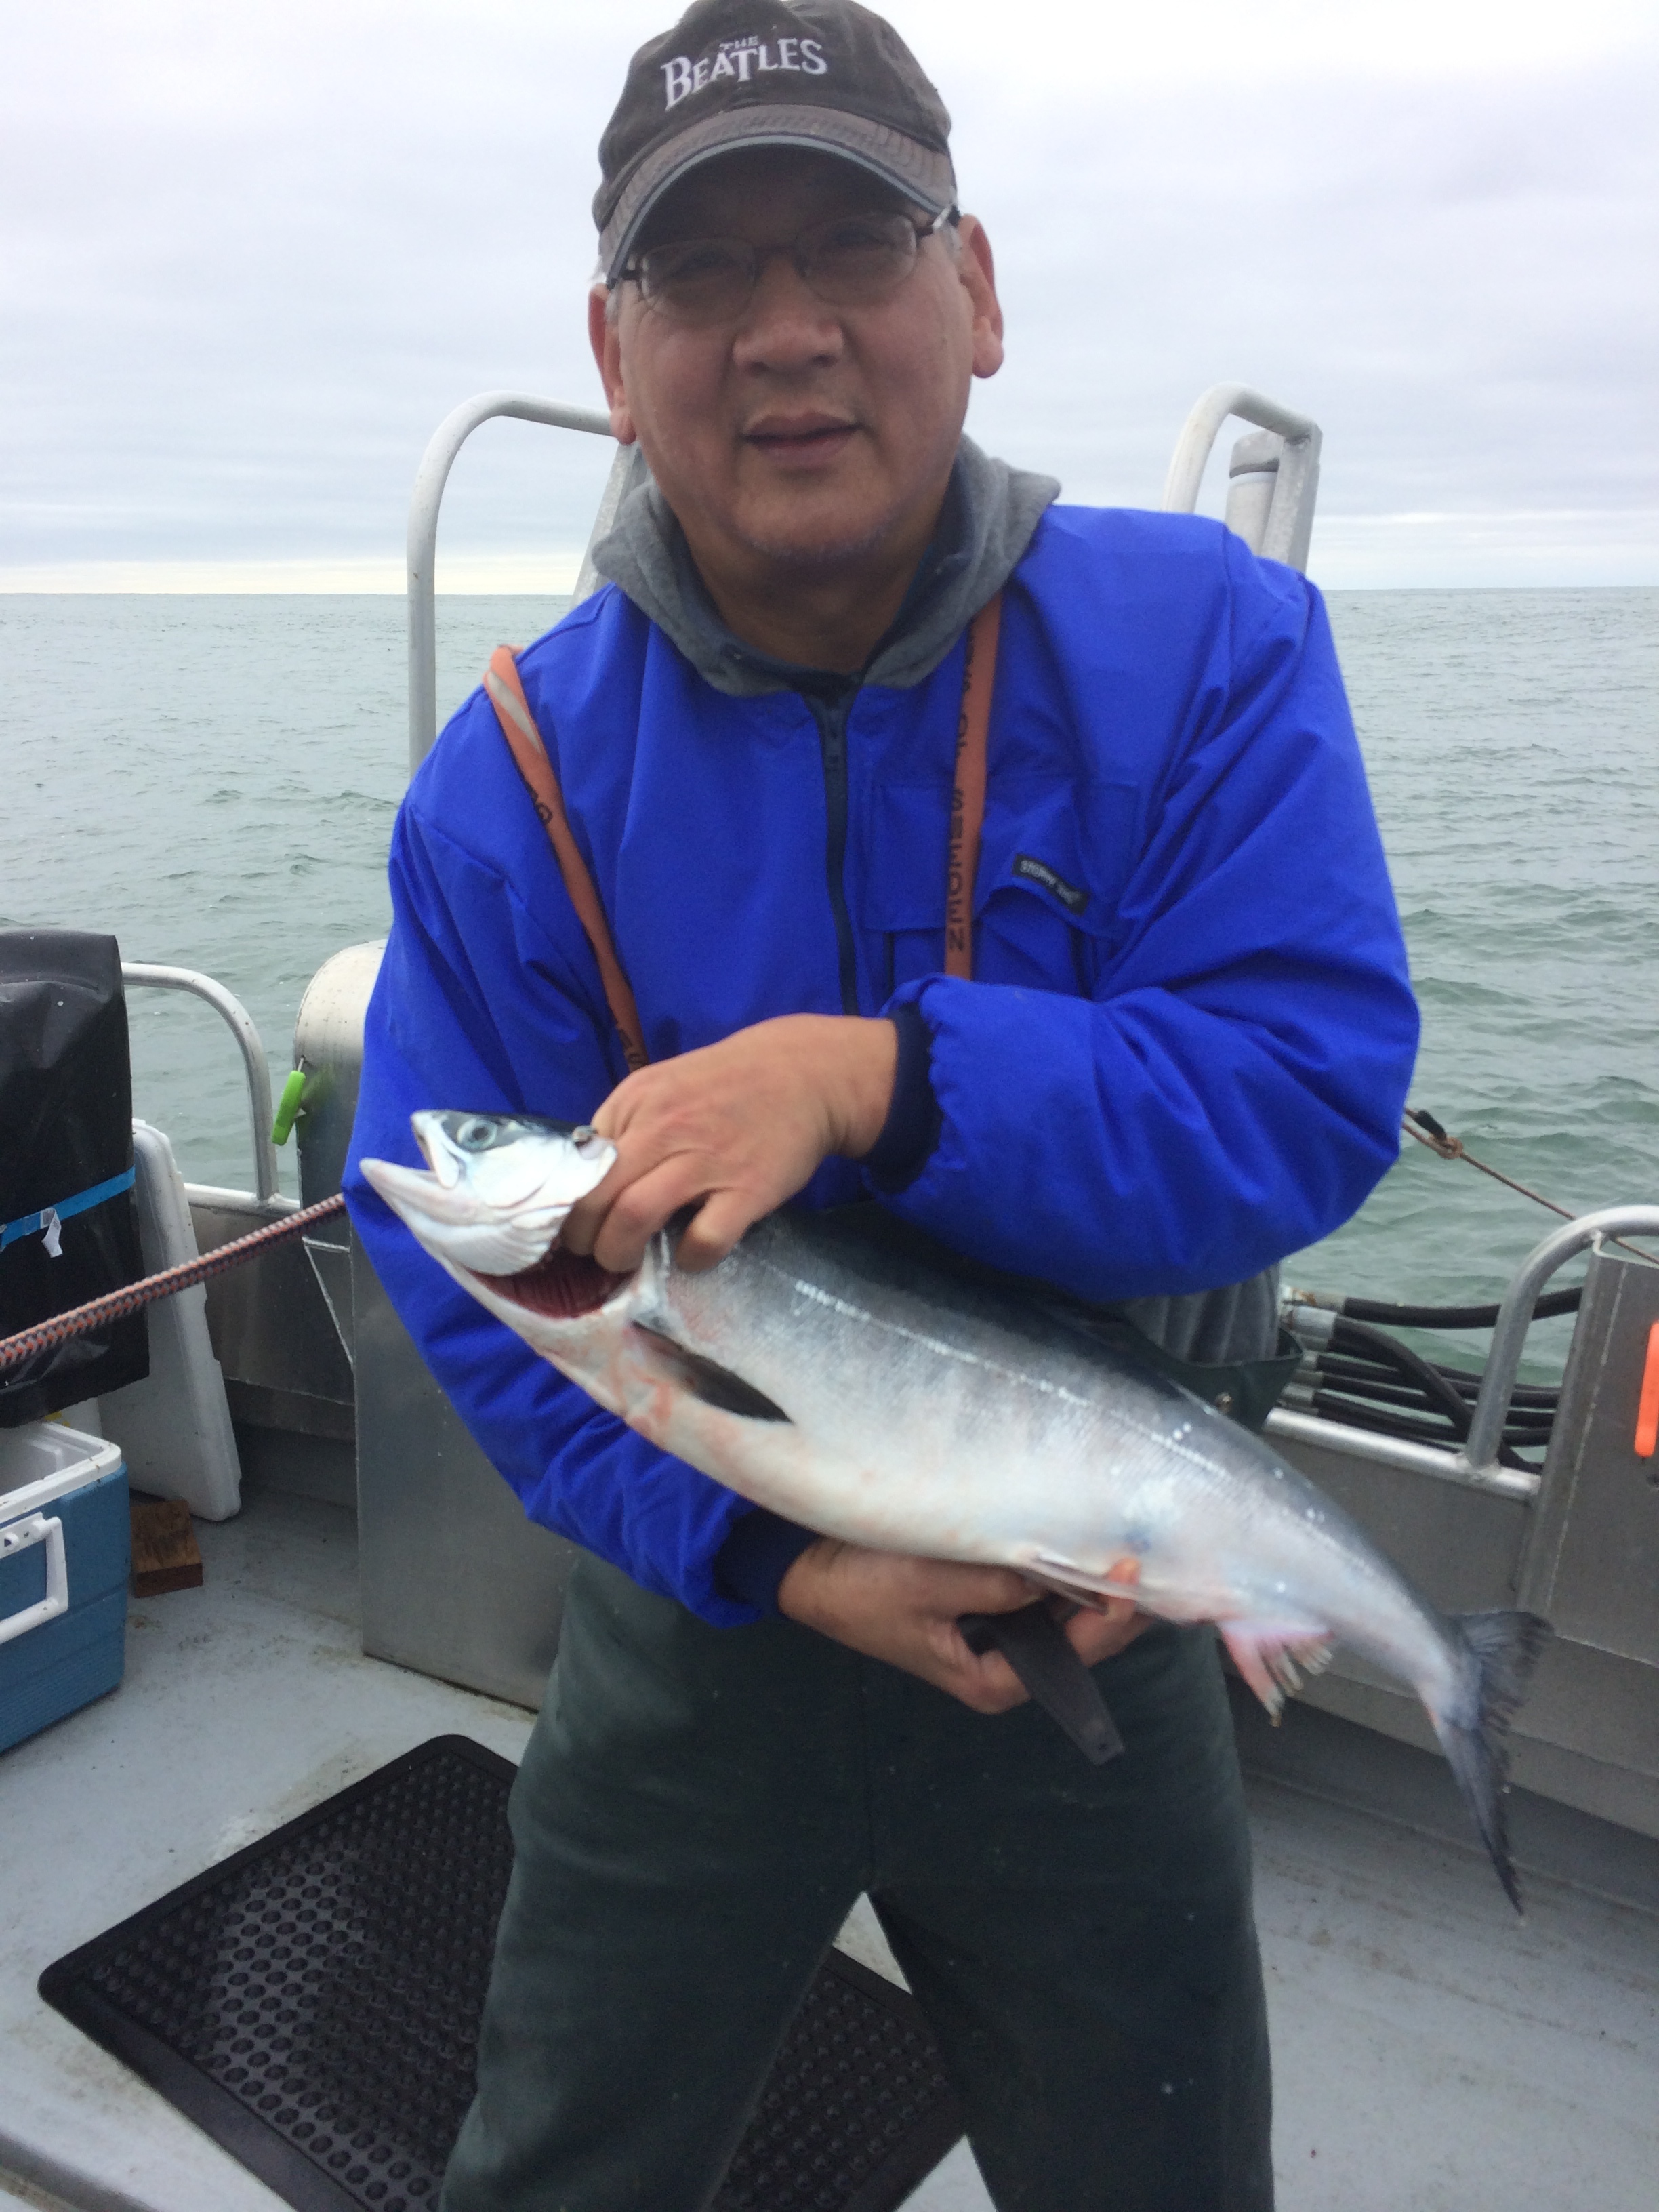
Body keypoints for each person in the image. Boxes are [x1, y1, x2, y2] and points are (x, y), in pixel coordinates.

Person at [344, 3, 1419, 2206]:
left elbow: (1306, 1098)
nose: (785, 333)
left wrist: (878, 1078)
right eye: (703, 274)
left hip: (1092, 1643)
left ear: (982, 291)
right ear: (614, 347)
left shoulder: (1212, 646)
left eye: (853, 241)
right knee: (561, 2162)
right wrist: (756, 1547)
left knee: (1158, 2174)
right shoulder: (515, 782)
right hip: (705, 1627)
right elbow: (459, 1278)